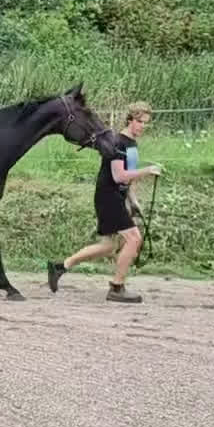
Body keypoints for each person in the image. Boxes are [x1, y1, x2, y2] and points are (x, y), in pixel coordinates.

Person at [46, 101, 162, 303]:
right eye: (141, 122)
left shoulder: (132, 143)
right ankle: (117, 287)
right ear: (130, 120)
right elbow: (119, 176)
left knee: (108, 246)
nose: (143, 126)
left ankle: (60, 267)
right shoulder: (117, 143)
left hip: (116, 197)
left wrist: (133, 200)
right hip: (108, 197)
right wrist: (147, 171)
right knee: (134, 239)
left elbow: (128, 178)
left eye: (146, 123)